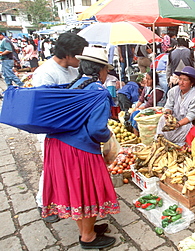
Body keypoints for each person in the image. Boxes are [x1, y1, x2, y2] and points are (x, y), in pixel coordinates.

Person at [42, 46, 119, 249]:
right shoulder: (98, 92)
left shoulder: (74, 84)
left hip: (58, 146)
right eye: (106, 70)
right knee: (89, 189)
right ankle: (88, 238)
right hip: (78, 149)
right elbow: (96, 129)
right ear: (100, 70)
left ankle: (88, 229)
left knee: (77, 190)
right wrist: (108, 136)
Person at [32, 33, 89, 223]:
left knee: (67, 172)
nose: (80, 59)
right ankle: (43, 203)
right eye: (78, 55)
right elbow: (44, 107)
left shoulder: (74, 70)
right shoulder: (45, 73)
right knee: (50, 169)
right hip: (52, 131)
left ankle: (67, 202)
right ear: (67, 54)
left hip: (71, 131)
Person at [156, 66, 195, 146]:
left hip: (192, 122)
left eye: (185, 80)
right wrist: (167, 114)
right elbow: (169, 106)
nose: (181, 82)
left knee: (187, 128)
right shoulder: (173, 91)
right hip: (176, 119)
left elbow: (191, 116)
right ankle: (161, 141)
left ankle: (179, 145)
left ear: (191, 83)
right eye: (180, 79)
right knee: (162, 119)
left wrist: (178, 124)